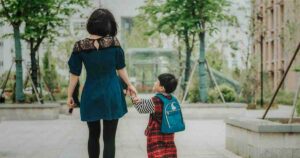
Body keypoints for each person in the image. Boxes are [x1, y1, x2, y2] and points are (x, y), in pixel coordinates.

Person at [67, 8, 137, 158]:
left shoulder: (79, 46)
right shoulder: (113, 43)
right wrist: (129, 84)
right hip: (111, 93)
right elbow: (121, 69)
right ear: (109, 25)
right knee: (109, 139)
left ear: (91, 24)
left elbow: (74, 74)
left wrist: (69, 95)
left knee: (93, 136)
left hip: (91, 93)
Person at [131, 73, 179, 158]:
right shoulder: (173, 100)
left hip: (156, 138)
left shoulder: (156, 100)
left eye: (157, 81)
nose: (154, 83)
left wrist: (133, 97)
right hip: (169, 138)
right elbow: (148, 103)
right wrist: (140, 100)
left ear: (161, 88)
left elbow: (141, 108)